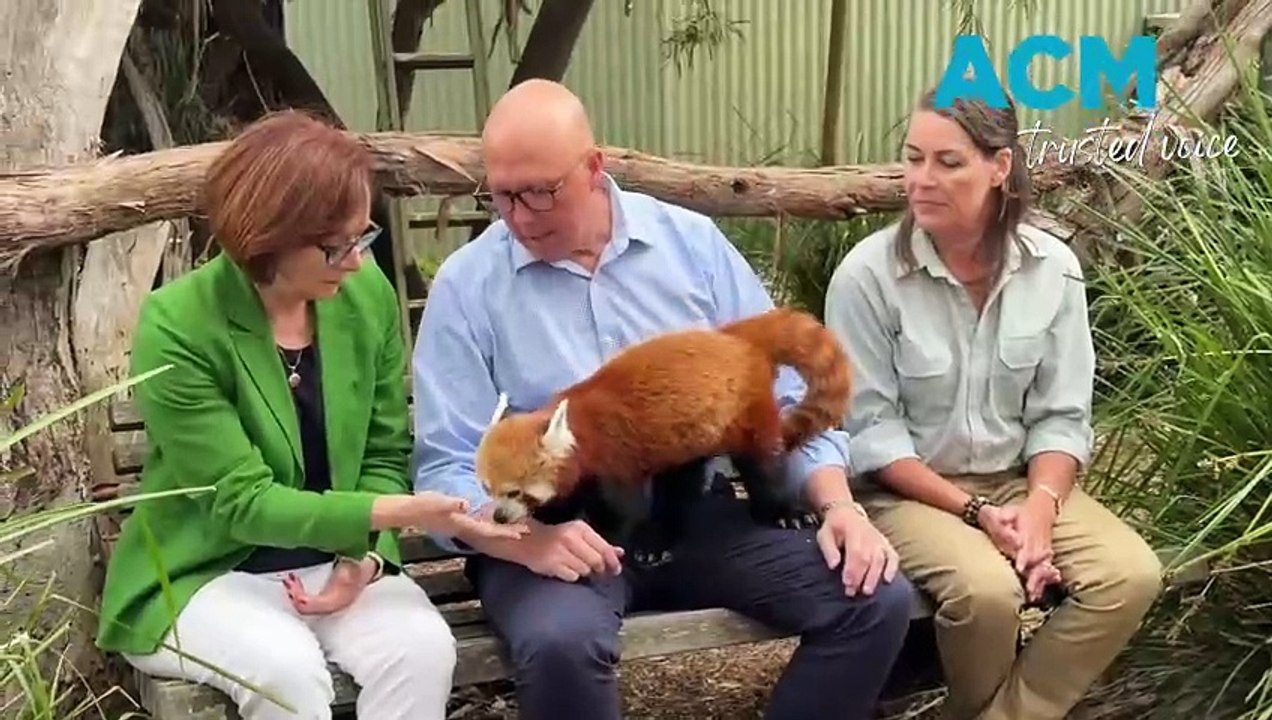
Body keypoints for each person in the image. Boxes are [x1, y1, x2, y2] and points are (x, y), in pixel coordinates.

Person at [410, 78, 915, 720]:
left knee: (873, 598)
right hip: (558, 524)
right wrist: (523, 539)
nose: (519, 216)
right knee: (560, 643)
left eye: (540, 192)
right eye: (502, 194)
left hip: (692, 507)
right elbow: (447, 464)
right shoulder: (467, 287)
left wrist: (838, 505)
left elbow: (784, 395)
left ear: (594, 167)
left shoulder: (690, 245)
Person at [94, 110, 525, 720]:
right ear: (267, 238)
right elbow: (241, 503)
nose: (355, 261)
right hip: (206, 572)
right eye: (335, 246)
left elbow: (382, 451)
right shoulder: (178, 323)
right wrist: (397, 514)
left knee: (422, 650)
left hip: (331, 559)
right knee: (286, 672)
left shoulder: (364, 296)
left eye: (362, 236)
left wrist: (364, 555)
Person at [822, 88, 1165, 720]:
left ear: (999, 166)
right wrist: (977, 513)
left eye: (948, 162)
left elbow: (1062, 417)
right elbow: (872, 435)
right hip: (905, 494)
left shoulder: (1053, 268)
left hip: (1016, 482)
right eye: (913, 158)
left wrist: (1039, 508)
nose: (922, 179)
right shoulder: (866, 277)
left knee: (1129, 575)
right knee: (985, 593)